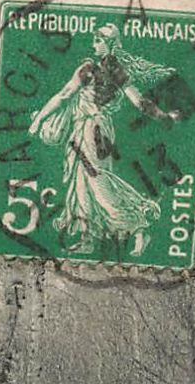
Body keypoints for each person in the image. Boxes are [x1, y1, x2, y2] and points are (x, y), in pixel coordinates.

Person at [28, 23, 181, 258]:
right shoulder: (117, 71)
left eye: (98, 40)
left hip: (91, 130)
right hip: (101, 132)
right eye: (94, 40)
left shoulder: (89, 68)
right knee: (84, 184)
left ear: (109, 43)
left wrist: (39, 119)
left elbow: (64, 94)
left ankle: (139, 226)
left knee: (96, 183)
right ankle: (89, 237)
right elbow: (140, 102)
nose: (94, 44)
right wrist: (163, 117)